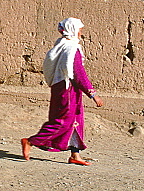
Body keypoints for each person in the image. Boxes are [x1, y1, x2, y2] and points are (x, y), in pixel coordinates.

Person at [21, 17, 104, 165]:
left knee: (76, 121)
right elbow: (78, 74)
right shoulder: (71, 48)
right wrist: (93, 94)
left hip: (63, 88)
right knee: (63, 121)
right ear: (73, 29)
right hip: (68, 90)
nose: (81, 32)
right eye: (79, 29)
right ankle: (31, 141)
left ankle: (75, 155)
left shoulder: (61, 45)